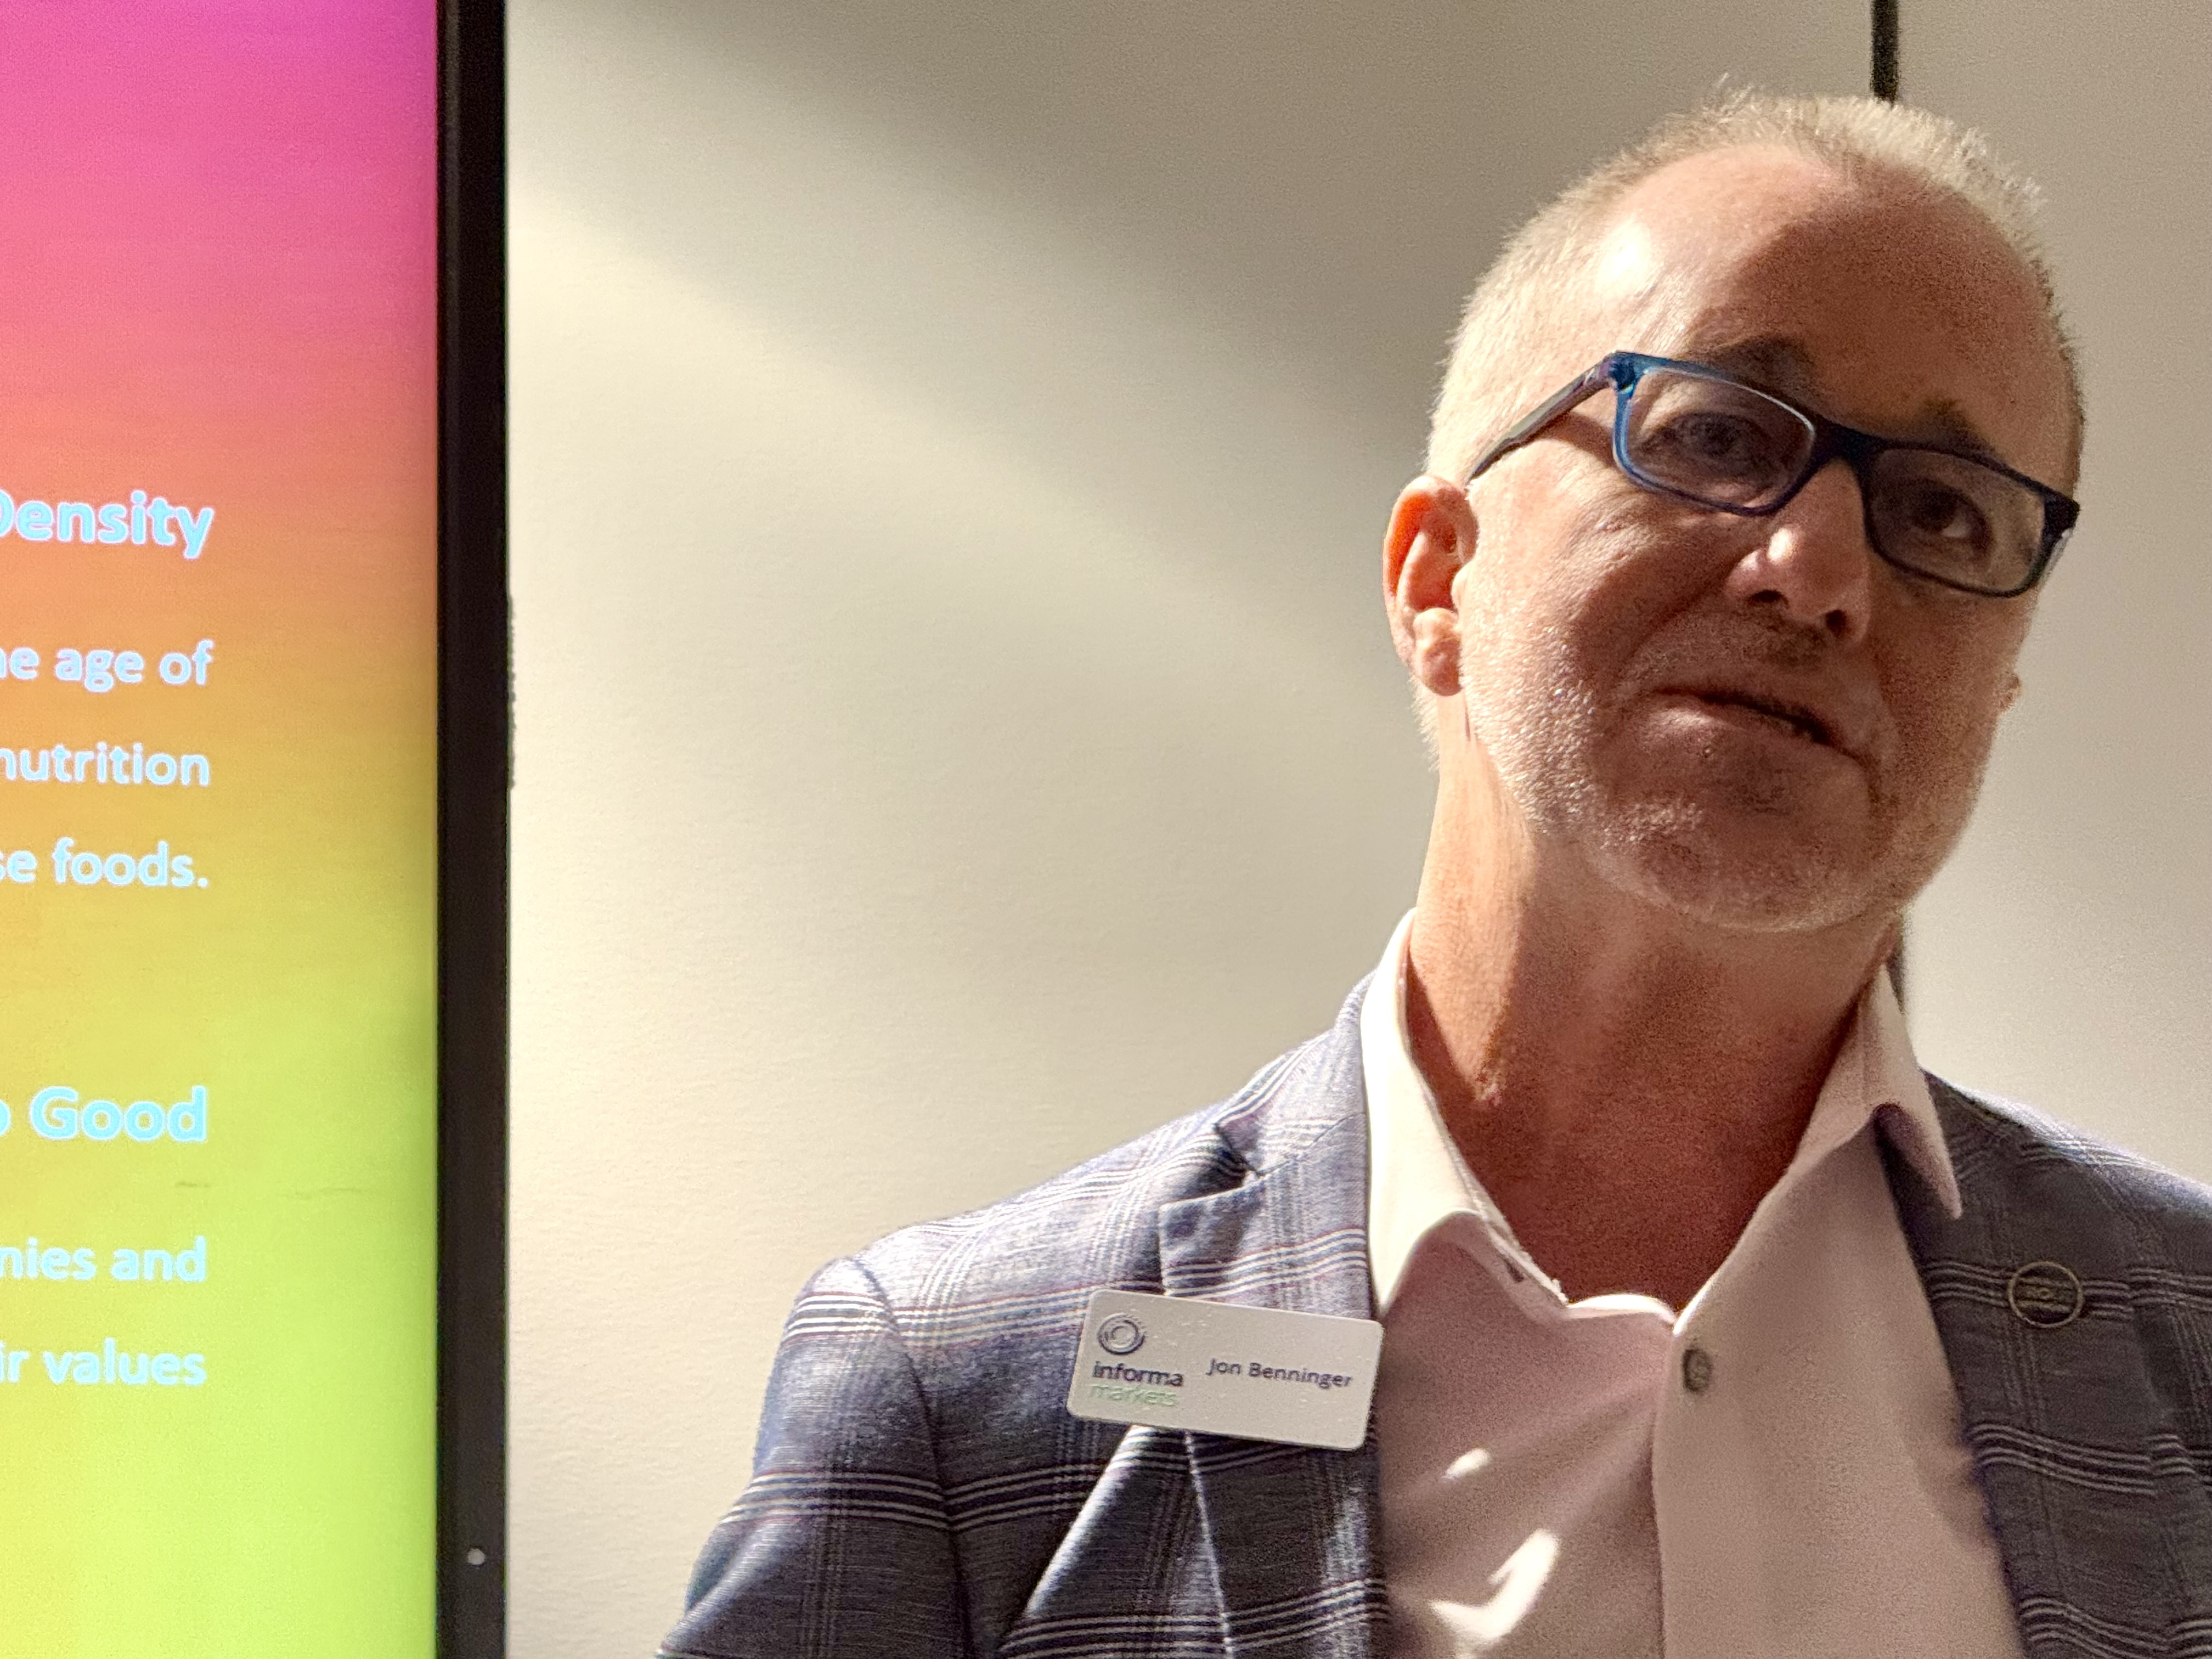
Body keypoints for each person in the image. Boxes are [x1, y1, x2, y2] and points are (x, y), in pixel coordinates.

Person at [661, 93, 2212, 1658]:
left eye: (1942, 511)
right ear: (1437, 577)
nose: (1818, 571)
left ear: (2003, 681)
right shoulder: (957, 1398)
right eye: (1719, 435)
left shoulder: (2191, 1351)